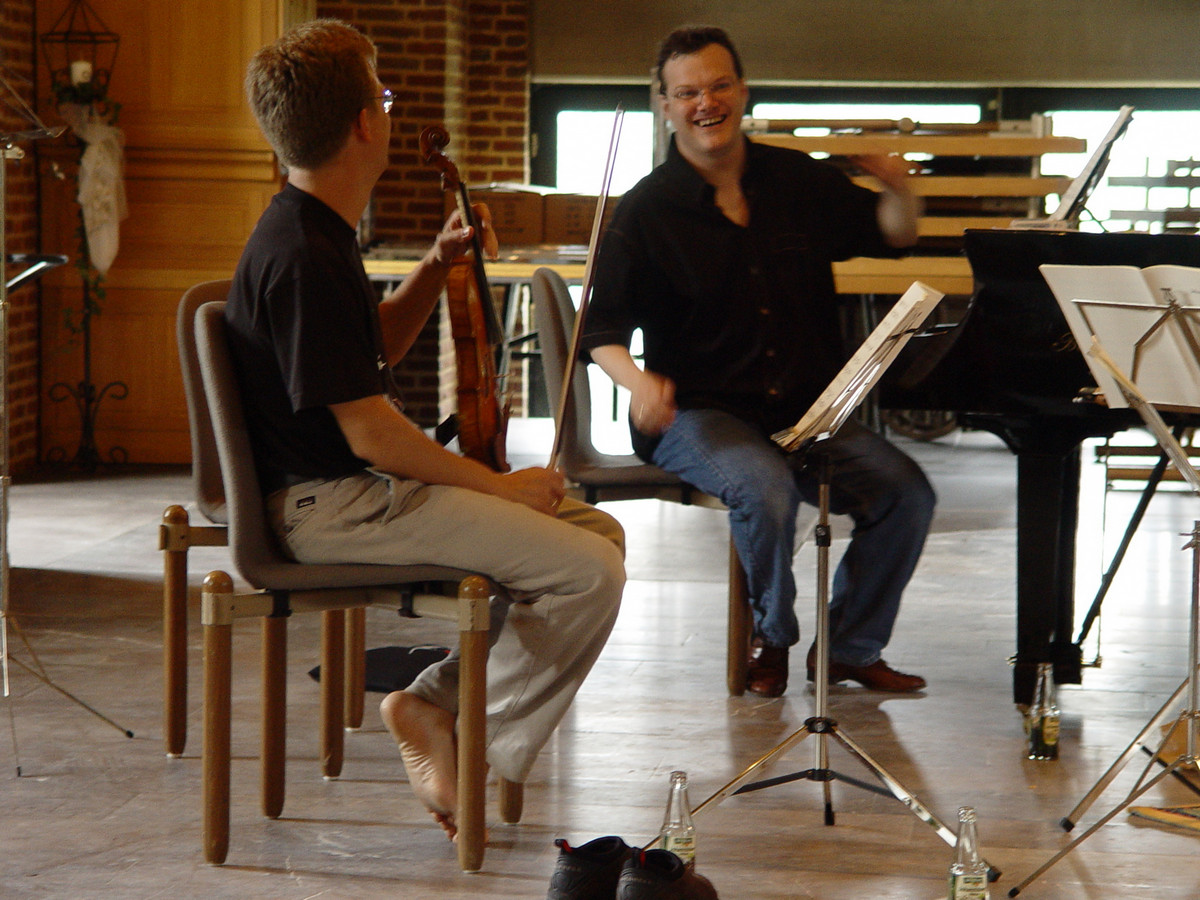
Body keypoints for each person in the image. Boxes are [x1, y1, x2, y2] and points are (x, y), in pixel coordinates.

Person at [226, 19, 626, 840]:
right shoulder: (302, 254)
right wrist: (500, 487)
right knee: (587, 574)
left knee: (598, 535)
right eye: (384, 95)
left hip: (348, 493)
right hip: (331, 505)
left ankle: (432, 705)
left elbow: (363, 352)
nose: (390, 108)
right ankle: (458, 729)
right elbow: (371, 434)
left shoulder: (313, 229)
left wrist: (436, 265)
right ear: (363, 124)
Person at [581, 25, 934, 698]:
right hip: (698, 414)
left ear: (743, 92)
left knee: (907, 494)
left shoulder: (796, 179)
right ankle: (772, 638)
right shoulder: (646, 210)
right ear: (665, 104)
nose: (706, 103)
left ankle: (851, 648)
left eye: (719, 86)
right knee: (765, 486)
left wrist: (898, 187)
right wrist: (638, 382)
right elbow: (600, 329)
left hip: (804, 411)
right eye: (688, 92)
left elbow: (895, 233)